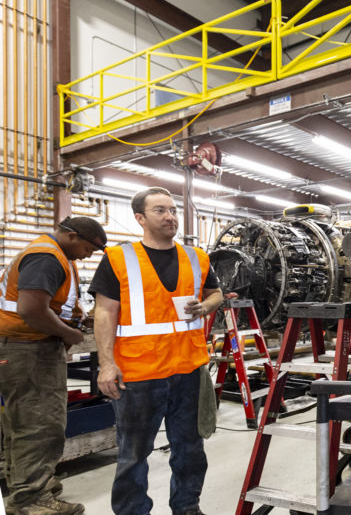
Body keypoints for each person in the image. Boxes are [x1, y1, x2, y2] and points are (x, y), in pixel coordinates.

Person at [90, 187, 222, 515]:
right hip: (138, 374)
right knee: (133, 455)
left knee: (190, 449)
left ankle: (187, 506)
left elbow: (217, 292)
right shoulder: (118, 259)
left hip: (189, 371)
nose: (170, 216)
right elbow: (104, 313)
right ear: (140, 218)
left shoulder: (196, 257)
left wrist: (205, 307)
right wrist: (106, 365)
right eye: (160, 210)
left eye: (173, 210)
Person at [0, 216, 107, 515]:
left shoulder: (56, 253)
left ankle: (31, 484)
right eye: (91, 247)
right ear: (73, 236)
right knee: (39, 425)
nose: (90, 254)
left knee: (23, 424)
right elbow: (31, 309)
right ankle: (30, 500)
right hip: (28, 350)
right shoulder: (47, 257)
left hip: (24, 347)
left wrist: (75, 318)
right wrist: (68, 332)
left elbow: (48, 304)